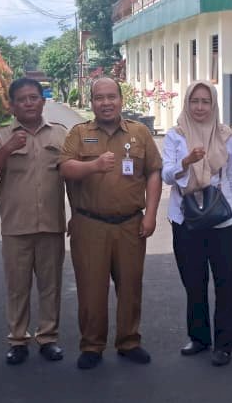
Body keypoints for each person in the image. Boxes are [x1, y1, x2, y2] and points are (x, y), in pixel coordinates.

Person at [59, 77, 163, 370]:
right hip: (90, 224)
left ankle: (129, 341)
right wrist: (93, 165)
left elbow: (154, 172)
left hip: (130, 224)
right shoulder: (79, 134)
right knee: (91, 289)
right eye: (99, 98)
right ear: (91, 102)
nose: (106, 103)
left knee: (130, 286)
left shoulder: (140, 133)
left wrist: (151, 214)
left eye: (111, 97)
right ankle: (92, 345)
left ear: (121, 99)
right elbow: (65, 168)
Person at [161, 81, 232, 367]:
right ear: (186, 104)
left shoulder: (225, 136)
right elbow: (166, 175)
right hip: (185, 219)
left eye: (205, 101)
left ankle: (224, 345)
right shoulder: (176, 136)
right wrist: (185, 162)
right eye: (194, 101)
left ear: (213, 105)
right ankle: (199, 337)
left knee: (226, 284)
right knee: (194, 283)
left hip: (222, 220)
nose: (200, 107)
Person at [0, 78, 68, 365]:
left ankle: (48, 338)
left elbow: (75, 175)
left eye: (34, 97)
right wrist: (6, 150)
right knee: (17, 287)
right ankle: (18, 339)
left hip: (51, 225)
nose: (29, 103)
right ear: (12, 105)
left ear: (43, 101)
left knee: (50, 285)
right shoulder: (1, 134)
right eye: (22, 99)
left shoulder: (60, 135)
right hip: (16, 226)